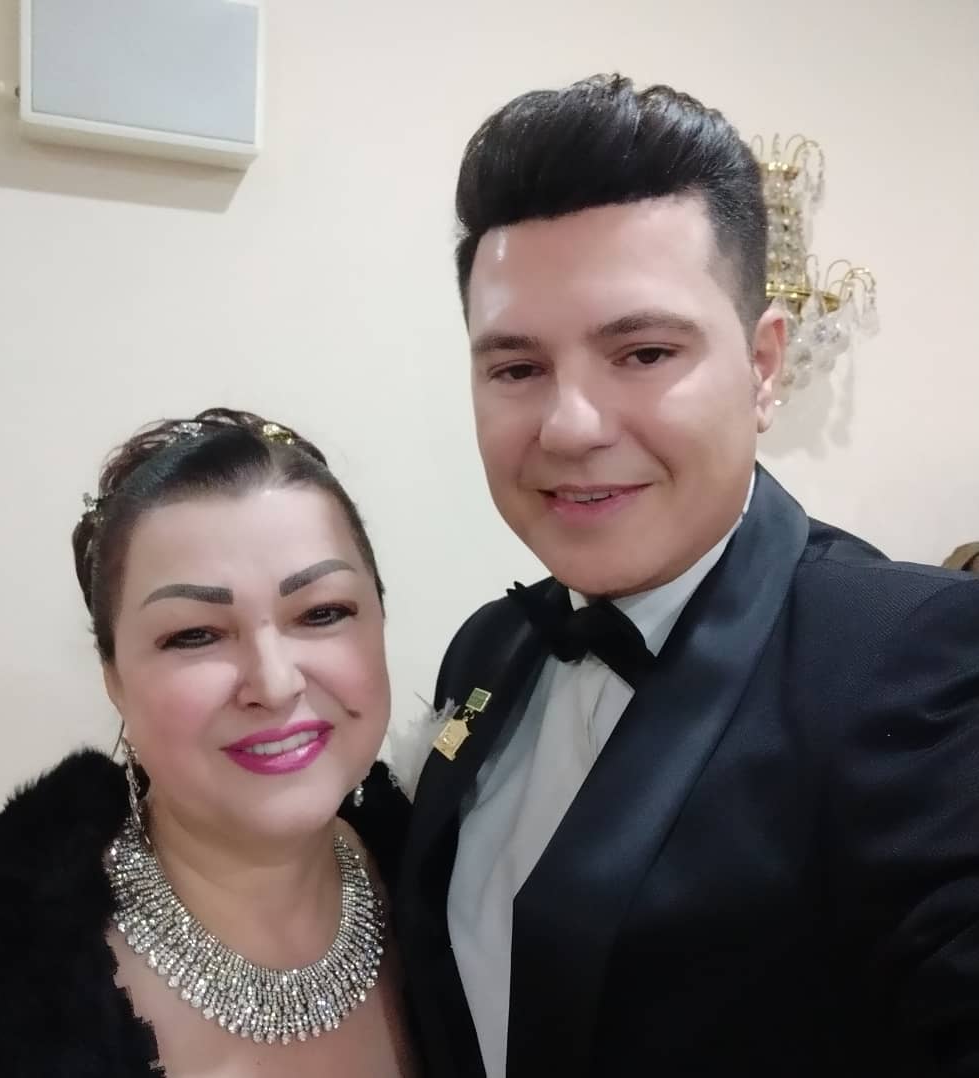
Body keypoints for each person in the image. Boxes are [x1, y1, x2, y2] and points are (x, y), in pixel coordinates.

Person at [396, 74, 979, 1077]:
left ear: (763, 365)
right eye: (517, 368)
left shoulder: (919, 659)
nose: (571, 427)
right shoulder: (490, 648)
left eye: (644, 352)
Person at [0, 408, 415, 1077]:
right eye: (194, 635)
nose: (275, 683)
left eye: (322, 613)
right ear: (113, 676)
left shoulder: (452, 874)